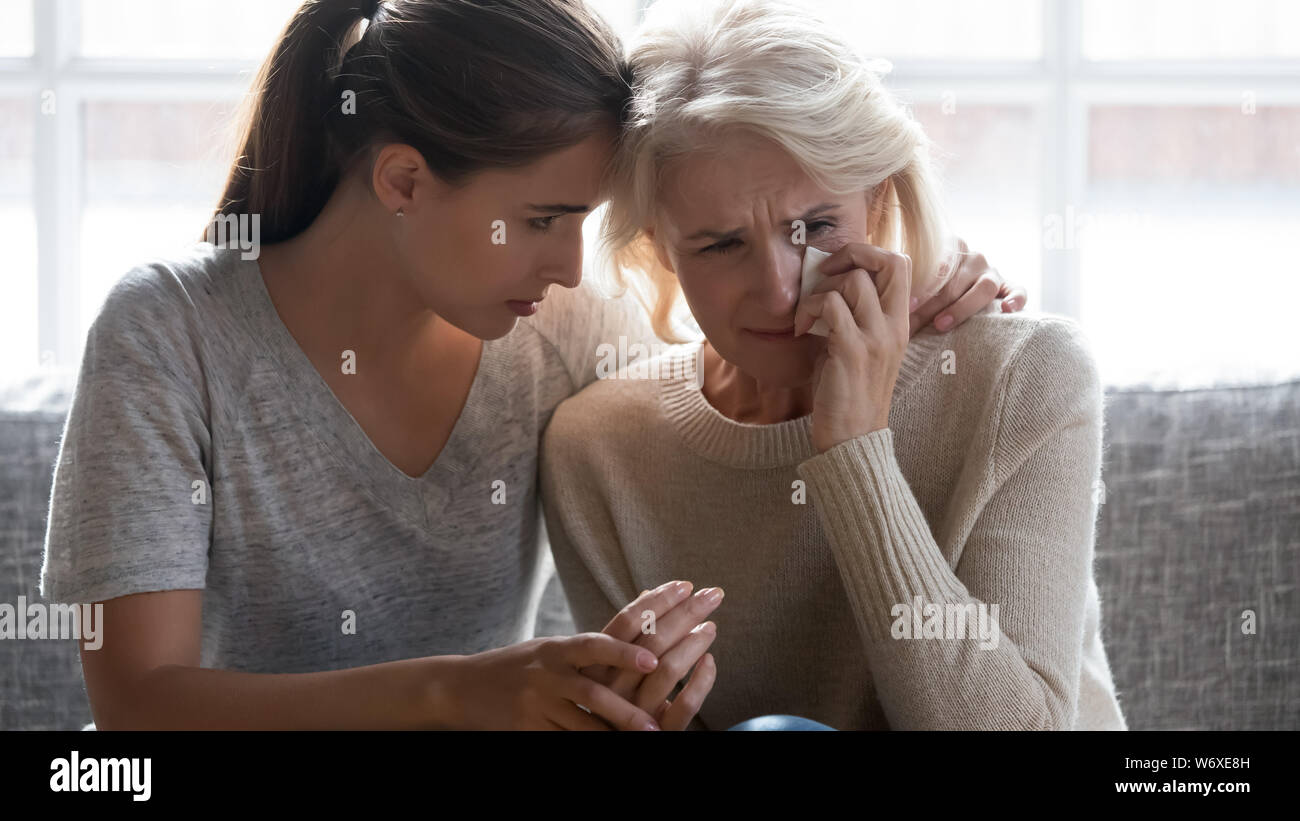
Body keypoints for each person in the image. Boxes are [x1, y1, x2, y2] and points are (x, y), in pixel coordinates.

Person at [39, 0, 1022, 730]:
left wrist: (928, 285)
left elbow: (743, 379)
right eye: (544, 220)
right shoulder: (167, 333)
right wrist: (469, 686)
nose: (566, 264)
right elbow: (139, 703)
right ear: (403, 180)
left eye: (583, 223)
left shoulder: (560, 331)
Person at [540, 0, 1125, 731]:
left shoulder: (1025, 377)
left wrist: (855, 451)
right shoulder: (596, 449)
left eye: (816, 227)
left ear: (877, 205)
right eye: (721, 245)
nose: (781, 288)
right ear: (660, 247)